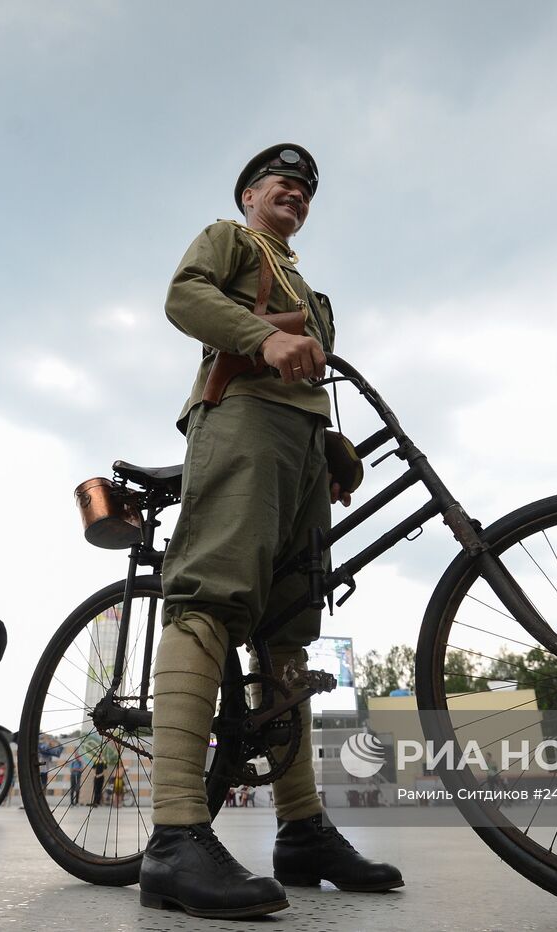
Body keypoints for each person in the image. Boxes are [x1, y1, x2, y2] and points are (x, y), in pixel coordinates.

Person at [139, 143, 401, 920]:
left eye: (308, 190)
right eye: (283, 182)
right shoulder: (230, 238)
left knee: (289, 631)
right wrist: (261, 339)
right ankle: (176, 836)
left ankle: (303, 830)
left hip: (298, 449)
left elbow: (314, 375)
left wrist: (332, 449)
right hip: (242, 421)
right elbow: (184, 299)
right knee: (212, 594)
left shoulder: (315, 294)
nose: (298, 192)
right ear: (250, 194)